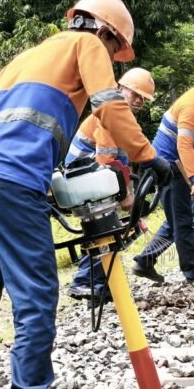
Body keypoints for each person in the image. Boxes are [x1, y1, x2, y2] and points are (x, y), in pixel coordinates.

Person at [0, 0, 171, 389]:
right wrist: (148, 156)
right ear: (105, 31)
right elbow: (108, 104)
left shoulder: (27, 57)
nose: (112, 57)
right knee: (36, 292)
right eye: (115, 48)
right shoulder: (87, 44)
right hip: (14, 180)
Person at [132, 63, 194, 285]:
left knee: (176, 219)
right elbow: (184, 145)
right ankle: (193, 273)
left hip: (177, 164)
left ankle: (145, 261)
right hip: (168, 166)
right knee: (184, 221)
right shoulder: (191, 106)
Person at [65, 68, 155, 305]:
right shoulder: (107, 115)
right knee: (105, 231)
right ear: (120, 88)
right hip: (84, 178)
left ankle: (100, 286)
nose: (139, 100)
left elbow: (124, 165)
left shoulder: (125, 120)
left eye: (143, 98)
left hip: (96, 178)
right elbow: (105, 160)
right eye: (135, 94)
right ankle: (85, 282)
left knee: (117, 231)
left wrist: (131, 200)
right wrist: (125, 197)